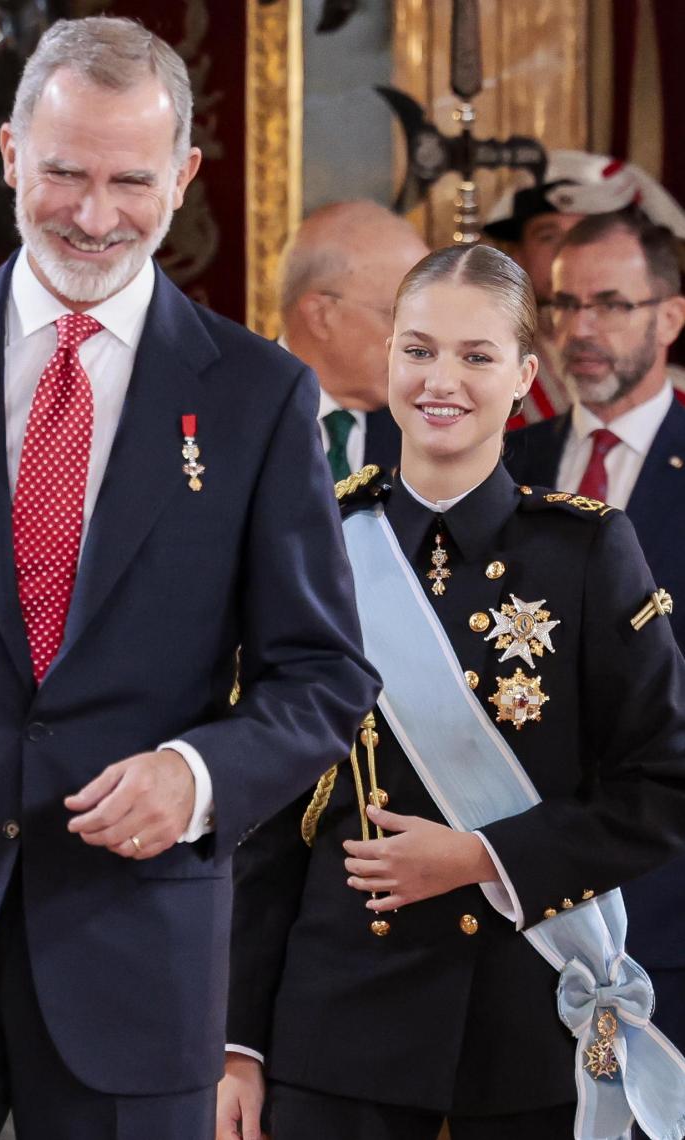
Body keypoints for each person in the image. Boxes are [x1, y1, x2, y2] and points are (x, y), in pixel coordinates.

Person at [0, 16, 380, 1140]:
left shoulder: (259, 397)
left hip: (136, 957)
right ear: (9, 155)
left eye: (131, 179)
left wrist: (197, 774)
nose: (94, 215)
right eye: (66, 172)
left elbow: (323, 675)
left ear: (183, 175)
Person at [218, 245, 685, 1140]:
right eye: (419, 349)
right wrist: (238, 1042)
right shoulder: (313, 547)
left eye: (476, 356)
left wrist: (482, 858)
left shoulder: (586, 555)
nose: (442, 379)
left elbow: (663, 786)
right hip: (333, 1037)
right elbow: (262, 819)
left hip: (517, 1034)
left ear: (522, 378)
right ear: (388, 357)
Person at [505, 208, 685, 1075]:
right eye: (562, 303)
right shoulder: (501, 461)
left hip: (670, 907)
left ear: (670, 316)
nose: (579, 329)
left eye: (610, 304)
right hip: (519, 908)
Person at [484, 149, 685, 424]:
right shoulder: (488, 386)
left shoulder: (676, 399)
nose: (569, 251)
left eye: (591, 234)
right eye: (548, 236)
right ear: (518, 255)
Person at [279, 200, 429, 479]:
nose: (420, 346)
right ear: (321, 315)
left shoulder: (426, 433)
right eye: (396, 316)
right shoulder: (236, 414)